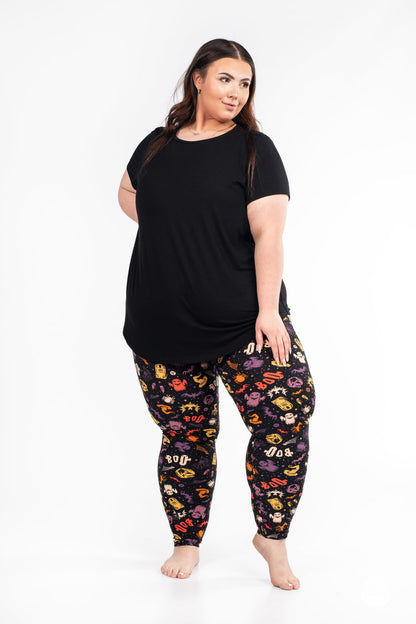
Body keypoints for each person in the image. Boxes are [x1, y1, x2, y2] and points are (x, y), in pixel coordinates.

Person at [118, 38, 316, 590]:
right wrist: (174, 229)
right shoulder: (156, 145)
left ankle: (272, 538)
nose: (236, 92)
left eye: (245, 83)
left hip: (245, 322)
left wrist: (269, 311)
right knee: (185, 438)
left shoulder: (253, 149)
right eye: (226, 78)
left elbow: (269, 233)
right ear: (199, 79)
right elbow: (128, 193)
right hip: (162, 322)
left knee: (286, 418)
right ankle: (186, 541)